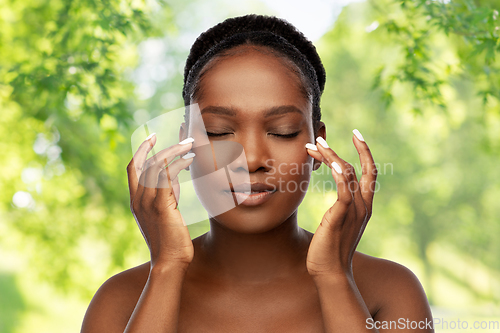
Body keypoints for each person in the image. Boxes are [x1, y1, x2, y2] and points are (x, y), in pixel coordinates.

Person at [81, 14, 434, 332]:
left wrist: (335, 278)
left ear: (318, 146)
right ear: (186, 144)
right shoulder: (121, 300)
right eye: (219, 131)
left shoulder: (389, 290)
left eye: (282, 131)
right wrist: (166, 269)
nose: (251, 159)